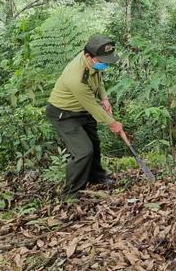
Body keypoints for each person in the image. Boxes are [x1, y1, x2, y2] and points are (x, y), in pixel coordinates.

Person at [45, 34, 126, 197]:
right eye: (102, 61)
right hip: (64, 114)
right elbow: (92, 106)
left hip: (82, 109)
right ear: (88, 56)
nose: (104, 64)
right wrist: (113, 123)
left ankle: (97, 177)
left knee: (94, 144)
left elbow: (98, 79)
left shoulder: (92, 63)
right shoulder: (75, 77)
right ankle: (70, 193)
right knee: (83, 151)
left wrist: (105, 98)